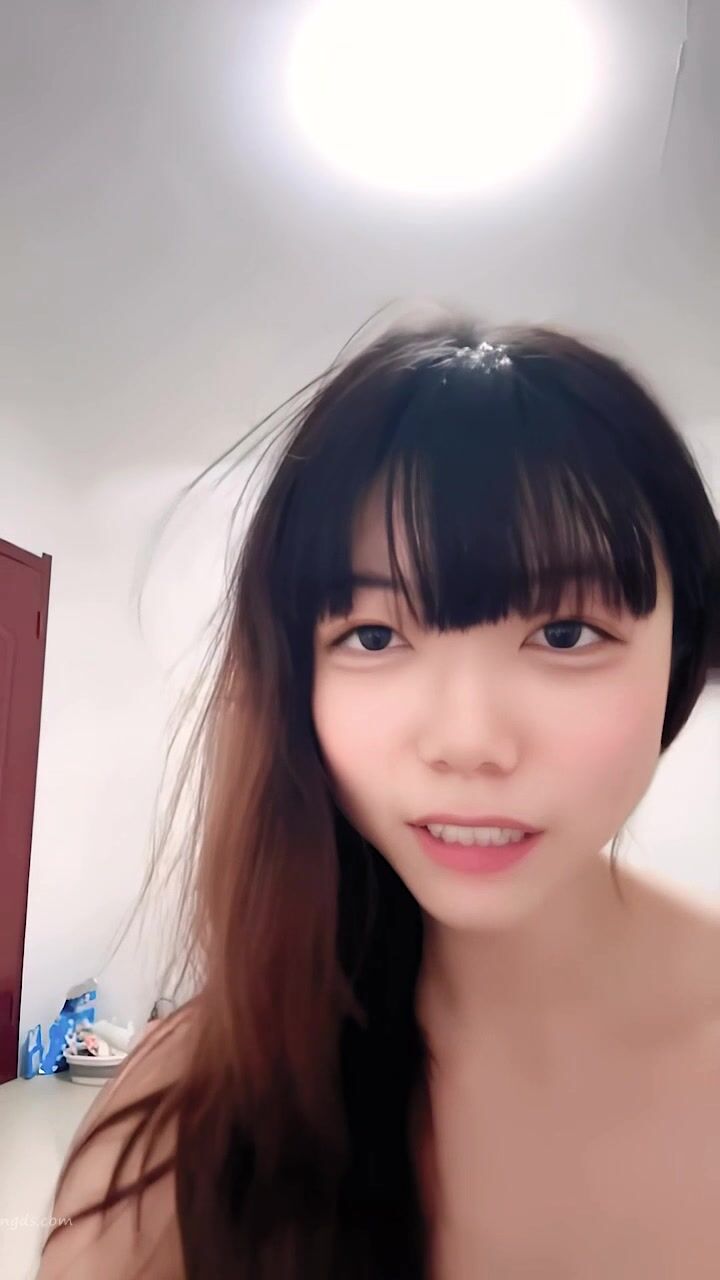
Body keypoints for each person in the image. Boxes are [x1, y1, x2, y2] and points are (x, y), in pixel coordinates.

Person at [37, 307, 720, 1279]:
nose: (468, 741)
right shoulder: (188, 1121)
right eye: (372, 635)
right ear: (297, 678)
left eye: (565, 634)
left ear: (682, 659)